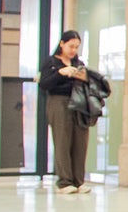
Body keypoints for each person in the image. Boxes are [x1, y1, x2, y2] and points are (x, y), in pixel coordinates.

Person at [39, 30, 91, 194]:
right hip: (59, 102)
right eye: (71, 46)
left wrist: (83, 77)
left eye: (76, 47)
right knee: (62, 140)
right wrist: (61, 73)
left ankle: (78, 181)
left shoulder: (79, 63)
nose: (73, 50)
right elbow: (44, 84)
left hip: (78, 102)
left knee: (80, 142)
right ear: (62, 44)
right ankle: (64, 181)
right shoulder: (51, 62)